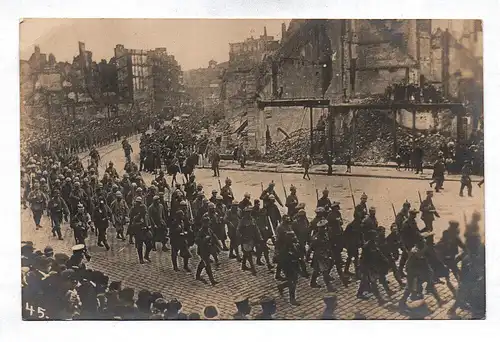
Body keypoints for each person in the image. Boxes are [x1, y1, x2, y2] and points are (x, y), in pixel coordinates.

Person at [309, 219, 334, 292]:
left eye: (325, 227)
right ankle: (329, 287)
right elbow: (311, 248)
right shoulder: (316, 238)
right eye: (323, 228)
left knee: (316, 270)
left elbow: (328, 244)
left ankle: (312, 282)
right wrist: (308, 256)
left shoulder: (325, 235)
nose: (325, 229)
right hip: (319, 257)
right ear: (319, 229)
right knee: (324, 271)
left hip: (325, 255)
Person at [195, 215, 220, 286]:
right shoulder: (201, 231)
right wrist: (204, 239)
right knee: (207, 265)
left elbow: (214, 236)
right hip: (203, 251)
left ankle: (197, 275)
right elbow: (197, 240)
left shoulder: (209, 230)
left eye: (208, 222)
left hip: (208, 250)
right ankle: (212, 280)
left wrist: (218, 244)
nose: (207, 224)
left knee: (202, 263)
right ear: (203, 223)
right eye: (205, 223)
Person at [237, 206, 262, 275]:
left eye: (250, 212)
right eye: (247, 212)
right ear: (245, 213)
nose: (249, 213)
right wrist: (241, 238)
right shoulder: (242, 221)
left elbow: (256, 229)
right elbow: (238, 230)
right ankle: (253, 268)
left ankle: (243, 265)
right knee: (249, 253)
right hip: (245, 239)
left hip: (252, 239)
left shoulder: (252, 219)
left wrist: (259, 237)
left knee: (246, 253)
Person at [129, 197, 153, 264]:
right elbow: (133, 223)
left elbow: (148, 220)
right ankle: (141, 258)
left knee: (150, 245)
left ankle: (146, 255)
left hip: (145, 230)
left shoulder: (145, 213)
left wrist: (149, 226)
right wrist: (140, 224)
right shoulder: (135, 212)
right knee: (140, 246)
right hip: (138, 231)